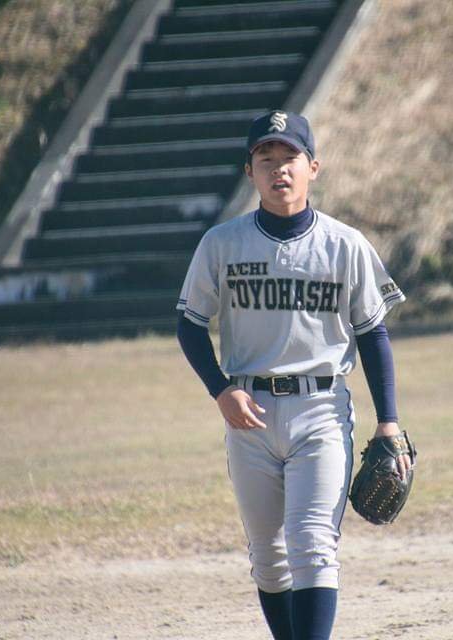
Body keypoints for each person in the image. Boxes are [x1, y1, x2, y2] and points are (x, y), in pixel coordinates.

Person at [175, 110, 411, 640]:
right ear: (249, 172)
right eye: (266, 159)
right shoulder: (222, 244)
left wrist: (389, 421)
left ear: (313, 168)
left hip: (321, 409)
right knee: (268, 557)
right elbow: (189, 325)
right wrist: (220, 390)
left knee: (312, 545)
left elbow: (372, 334)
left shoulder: (345, 244)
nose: (278, 169)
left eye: (290, 158)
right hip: (249, 412)